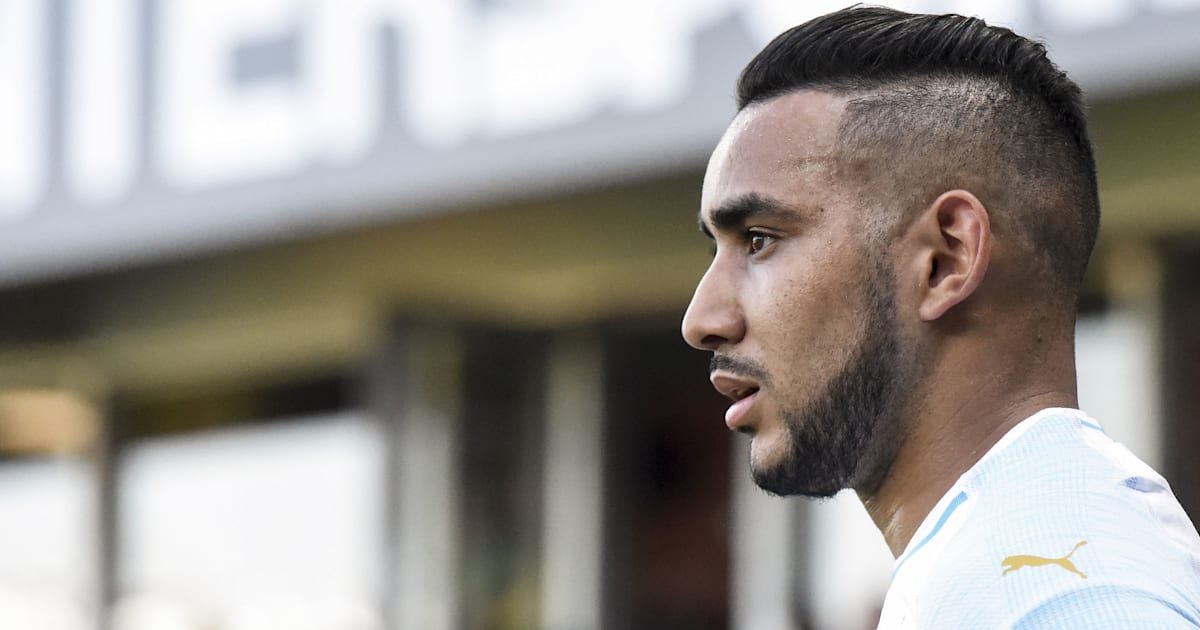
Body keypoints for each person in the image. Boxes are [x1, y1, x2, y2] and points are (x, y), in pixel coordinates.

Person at [680, 6, 1200, 628]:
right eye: (716, 250)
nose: (701, 319)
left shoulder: (1049, 596)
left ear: (945, 258)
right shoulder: (1030, 560)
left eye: (759, 240)